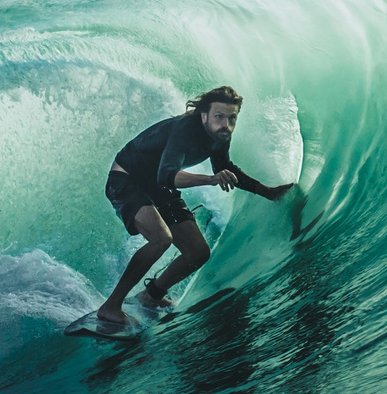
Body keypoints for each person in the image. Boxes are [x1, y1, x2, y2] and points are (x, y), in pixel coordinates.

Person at [97, 85, 293, 327]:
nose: (226, 124)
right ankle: (110, 306)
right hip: (128, 180)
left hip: (158, 187)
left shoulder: (221, 135)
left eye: (232, 118)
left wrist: (268, 192)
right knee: (161, 238)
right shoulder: (185, 131)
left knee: (197, 253)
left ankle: (151, 296)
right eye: (219, 117)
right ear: (204, 116)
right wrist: (211, 180)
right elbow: (167, 175)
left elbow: (226, 168)